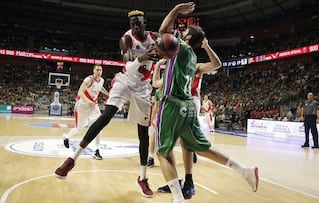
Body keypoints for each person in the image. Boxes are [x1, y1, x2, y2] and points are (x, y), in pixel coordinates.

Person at [155, 3, 258, 202]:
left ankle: (177, 198)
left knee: (162, 153)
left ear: (188, 38)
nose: (181, 33)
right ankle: (244, 171)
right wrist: (205, 45)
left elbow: (162, 31)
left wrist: (176, 9)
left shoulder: (181, 49)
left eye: (184, 32)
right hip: (189, 106)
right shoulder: (193, 58)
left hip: (172, 104)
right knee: (202, 148)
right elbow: (217, 64)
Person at [54, 9, 158, 198]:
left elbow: (169, 36)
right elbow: (127, 65)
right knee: (106, 115)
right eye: (133, 23)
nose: (136, 25)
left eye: (139, 22)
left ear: (145, 22)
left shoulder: (154, 37)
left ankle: (143, 178)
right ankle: (71, 159)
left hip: (143, 88)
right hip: (125, 80)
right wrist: (142, 58)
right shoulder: (126, 39)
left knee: (143, 133)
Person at [156, 37, 222, 198]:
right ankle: (176, 180)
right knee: (166, 142)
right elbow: (158, 83)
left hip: (191, 100)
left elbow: (216, 64)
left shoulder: (195, 65)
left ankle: (188, 181)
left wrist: (206, 46)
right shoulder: (175, 62)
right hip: (175, 102)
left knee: (185, 143)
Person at [61, 64, 108, 160]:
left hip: (93, 106)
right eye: (97, 70)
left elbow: (100, 87)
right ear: (93, 71)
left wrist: (108, 94)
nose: (99, 71)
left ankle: (97, 150)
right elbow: (80, 93)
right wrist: (88, 101)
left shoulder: (101, 80)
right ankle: (66, 136)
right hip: (82, 105)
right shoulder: (88, 80)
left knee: (99, 125)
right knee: (79, 129)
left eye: (101, 70)